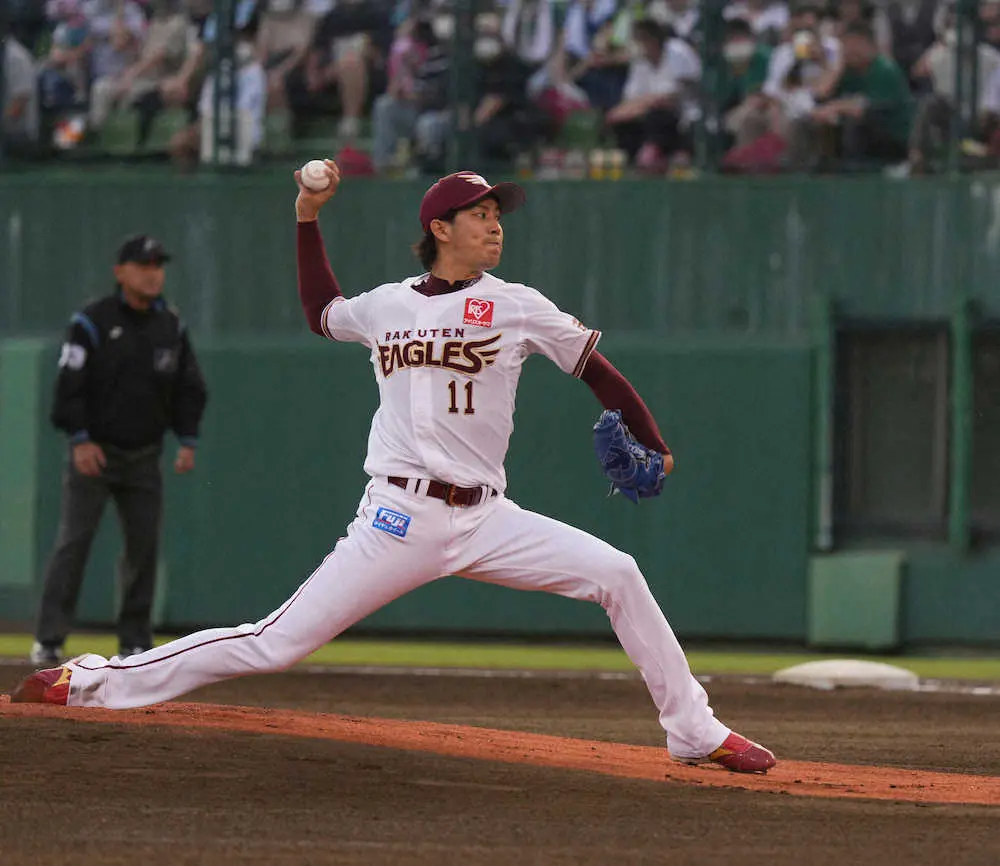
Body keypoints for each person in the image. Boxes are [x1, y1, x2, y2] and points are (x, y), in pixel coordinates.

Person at [12, 167, 776, 777]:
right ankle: (92, 682)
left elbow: (597, 371)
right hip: (398, 517)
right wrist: (307, 218)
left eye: (498, 214)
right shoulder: (387, 306)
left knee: (618, 573)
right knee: (275, 641)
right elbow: (322, 312)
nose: (495, 224)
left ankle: (693, 729)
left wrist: (654, 440)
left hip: (487, 517)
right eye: (479, 214)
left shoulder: (517, 305)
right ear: (439, 228)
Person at [27, 235, 208, 668]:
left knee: (143, 547)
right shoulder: (92, 321)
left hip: (144, 456)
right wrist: (79, 440)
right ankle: (48, 638)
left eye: (158, 266)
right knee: (74, 543)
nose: (152, 274)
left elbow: (189, 387)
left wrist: (187, 440)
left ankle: (134, 642)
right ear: (120, 272)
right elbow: (68, 387)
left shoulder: (170, 326)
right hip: (95, 455)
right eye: (143, 265)